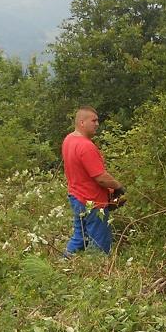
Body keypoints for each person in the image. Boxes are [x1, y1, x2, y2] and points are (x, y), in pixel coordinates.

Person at [61, 106, 125, 255]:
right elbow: (100, 178)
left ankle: (63, 266)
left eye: (97, 121)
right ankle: (97, 273)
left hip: (76, 197)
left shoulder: (69, 139)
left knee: (80, 238)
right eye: (93, 120)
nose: (97, 124)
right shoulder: (86, 146)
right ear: (82, 122)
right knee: (100, 244)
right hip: (93, 202)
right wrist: (118, 186)